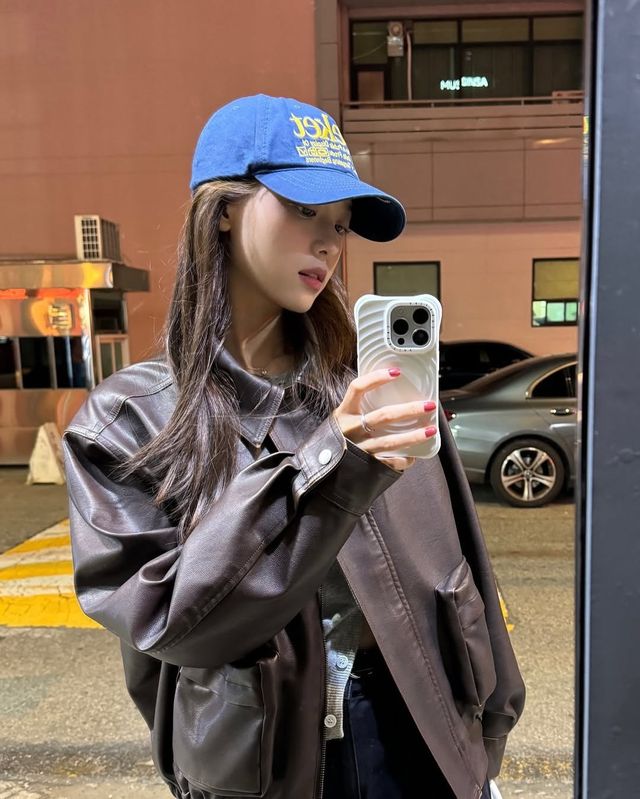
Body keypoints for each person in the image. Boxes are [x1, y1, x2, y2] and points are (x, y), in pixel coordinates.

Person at [63, 94, 525, 799]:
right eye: (304, 210)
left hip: (421, 735)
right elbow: (168, 623)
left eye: (339, 223)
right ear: (223, 209)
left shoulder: (371, 388)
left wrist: (486, 740)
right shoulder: (129, 420)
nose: (329, 243)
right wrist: (331, 465)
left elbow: (460, 562)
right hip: (263, 761)